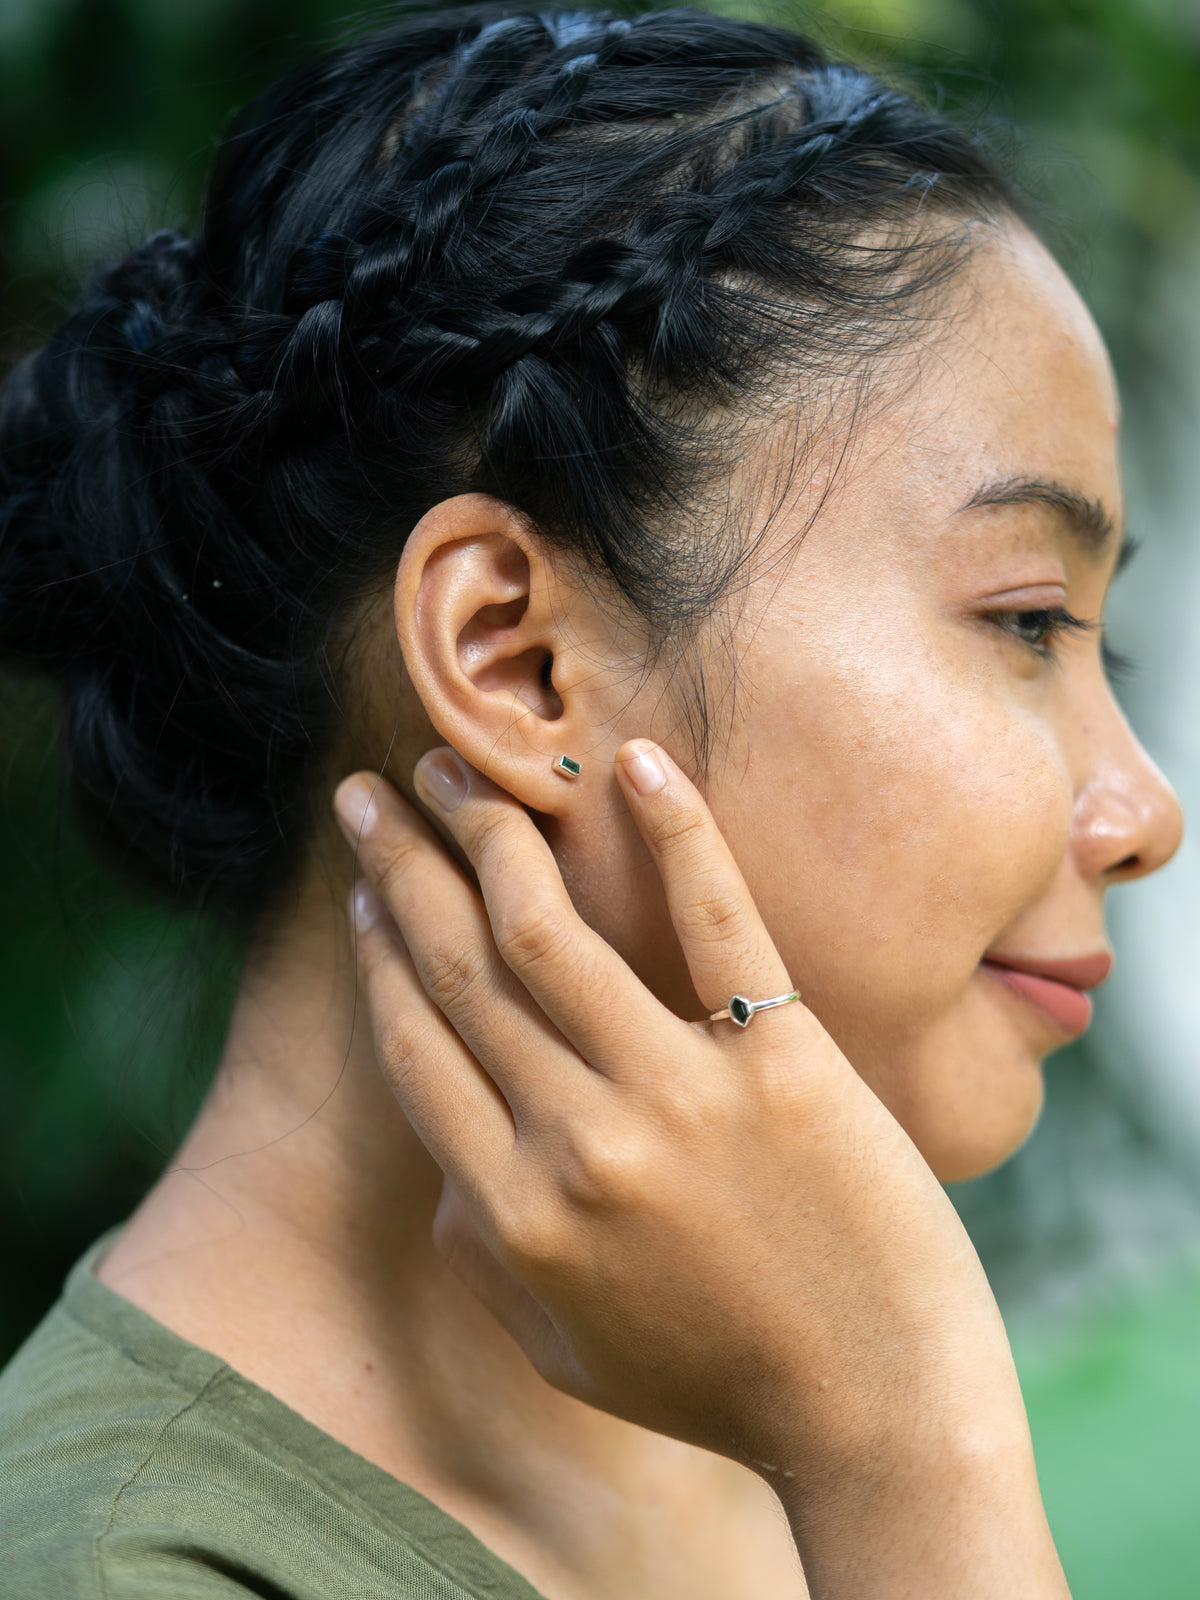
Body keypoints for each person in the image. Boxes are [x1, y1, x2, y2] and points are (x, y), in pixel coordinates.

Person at [0, 5, 1183, 1597]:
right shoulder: (123, 1570)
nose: (1144, 810)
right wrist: (909, 1466)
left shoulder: (775, 1436)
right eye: (1027, 619)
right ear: (514, 659)